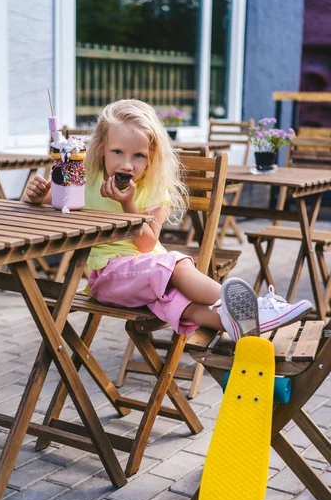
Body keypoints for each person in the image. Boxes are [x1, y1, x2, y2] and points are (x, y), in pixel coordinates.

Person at [23, 99, 312, 341]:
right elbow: (45, 202)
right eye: (117, 152)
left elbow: (147, 245)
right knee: (178, 264)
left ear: (151, 158)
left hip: (149, 270)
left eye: (138, 156)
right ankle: (258, 308)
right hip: (107, 277)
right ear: (101, 149)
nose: (127, 164)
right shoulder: (83, 177)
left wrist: (129, 204)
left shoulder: (151, 188)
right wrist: (35, 196)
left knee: (184, 303)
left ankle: (238, 324)